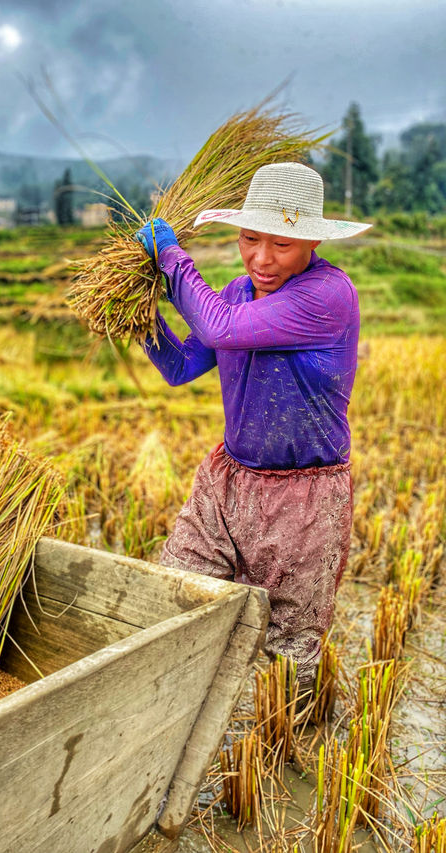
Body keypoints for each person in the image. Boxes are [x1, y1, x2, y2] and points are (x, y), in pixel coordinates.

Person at [135, 162, 371, 691]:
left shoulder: (327, 296)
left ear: (311, 239)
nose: (261, 259)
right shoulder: (239, 292)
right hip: (227, 482)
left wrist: (172, 260)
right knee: (173, 598)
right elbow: (181, 368)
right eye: (249, 239)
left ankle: (295, 753)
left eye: (282, 245)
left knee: (290, 657)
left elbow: (217, 325)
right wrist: (136, 315)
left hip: (304, 499)